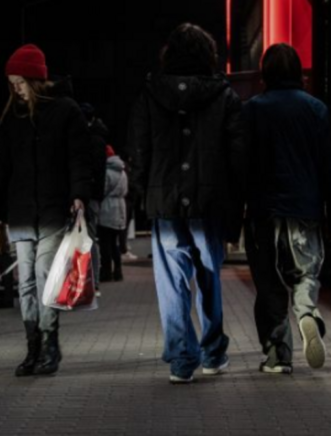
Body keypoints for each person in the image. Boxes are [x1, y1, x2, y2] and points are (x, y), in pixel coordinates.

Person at [128, 23, 245, 383]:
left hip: (164, 201)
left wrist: (142, 193)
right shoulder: (224, 96)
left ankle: (182, 359)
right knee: (209, 277)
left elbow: (138, 148)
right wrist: (237, 203)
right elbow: (237, 155)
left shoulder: (151, 94)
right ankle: (213, 352)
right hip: (210, 201)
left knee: (171, 282)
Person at [0, 44, 92, 377]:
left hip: (54, 209)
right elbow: (2, 167)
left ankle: (49, 344)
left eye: (20, 82)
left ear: (35, 79)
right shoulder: (12, 117)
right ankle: (33, 347)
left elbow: (79, 156)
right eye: (11, 83)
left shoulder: (66, 110)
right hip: (21, 211)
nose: (15, 88)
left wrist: (79, 195)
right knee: (25, 281)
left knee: (45, 274)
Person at [243, 43, 330, 374]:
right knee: (306, 272)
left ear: (265, 73)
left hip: (263, 211)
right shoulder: (317, 109)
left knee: (269, 286)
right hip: (305, 207)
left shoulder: (252, 110)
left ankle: (278, 355)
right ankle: (307, 311)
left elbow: (241, 163)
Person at [80, 102, 108, 295]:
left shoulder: (92, 140)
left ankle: (92, 283)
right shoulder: (99, 139)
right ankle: (90, 283)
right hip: (92, 196)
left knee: (88, 239)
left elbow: (94, 171)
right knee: (89, 239)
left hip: (88, 196)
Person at [98, 145, 128, 282]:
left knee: (105, 243)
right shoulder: (122, 171)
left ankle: (106, 272)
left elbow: (102, 190)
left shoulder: (107, 172)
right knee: (115, 242)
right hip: (120, 208)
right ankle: (118, 271)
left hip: (107, 209)